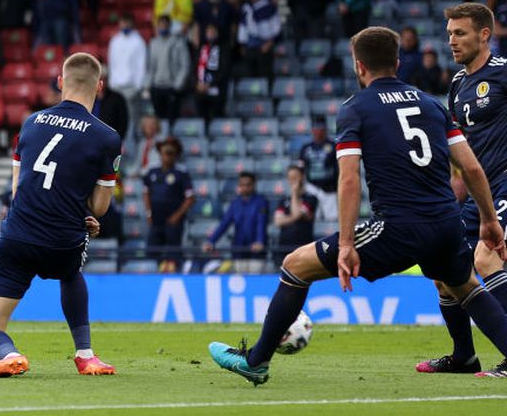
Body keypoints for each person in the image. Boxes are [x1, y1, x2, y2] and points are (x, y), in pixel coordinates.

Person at [210, 26, 507, 384]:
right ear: (397, 63)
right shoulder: (431, 104)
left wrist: (347, 243)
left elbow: (349, 179)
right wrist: (489, 220)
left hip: (399, 227)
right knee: (465, 288)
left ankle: (256, 360)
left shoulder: (356, 108)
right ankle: (469, 356)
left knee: (295, 265)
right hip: (446, 222)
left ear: (359, 66)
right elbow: (472, 167)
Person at [0, 52, 120, 378]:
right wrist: (80, 212)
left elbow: (17, 190)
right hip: (64, 241)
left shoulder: (31, 123)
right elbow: (100, 207)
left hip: (19, 237)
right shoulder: (107, 137)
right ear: (100, 87)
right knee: (70, 271)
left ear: (61, 82)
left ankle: (10, 354)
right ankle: (85, 354)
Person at [420, 2, 507, 375]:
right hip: (476, 193)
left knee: (487, 259)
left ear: (484, 35)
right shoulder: (457, 84)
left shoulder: (503, 73)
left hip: (505, 183)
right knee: (444, 270)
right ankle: (463, 356)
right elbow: (461, 149)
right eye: (449, 33)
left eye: (460, 33)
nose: (451, 41)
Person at [143, 137, 194, 273]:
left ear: (176, 155)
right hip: (156, 219)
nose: (168, 156)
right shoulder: (152, 172)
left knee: (173, 253)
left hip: (173, 221)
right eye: (165, 152)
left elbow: (190, 198)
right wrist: (148, 213)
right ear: (160, 153)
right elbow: (146, 192)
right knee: (152, 251)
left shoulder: (181, 174)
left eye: (171, 153)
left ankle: (174, 275)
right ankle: (152, 276)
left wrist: (177, 216)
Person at [203, 172, 269, 274]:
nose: (245, 187)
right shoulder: (235, 203)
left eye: (248, 185)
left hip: (256, 253)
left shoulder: (261, 202)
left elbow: (261, 223)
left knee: (255, 282)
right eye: (242, 185)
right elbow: (224, 224)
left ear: (254, 185)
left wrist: (259, 242)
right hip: (239, 250)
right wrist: (211, 241)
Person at [145, 15, 190, 125]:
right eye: (160, 25)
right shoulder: (153, 43)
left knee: (172, 121)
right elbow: (150, 66)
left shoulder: (179, 43)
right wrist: (148, 85)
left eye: (165, 25)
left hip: (172, 87)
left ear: (169, 26)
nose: (163, 27)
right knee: (158, 121)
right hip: (157, 87)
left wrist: (177, 85)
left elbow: (185, 65)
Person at [272, 162, 318, 264]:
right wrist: (294, 217)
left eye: (295, 177)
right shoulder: (283, 200)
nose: (292, 180)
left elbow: (297, 214)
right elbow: (278, 221)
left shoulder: (310, 198)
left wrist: (294, 193)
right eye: (290, 177)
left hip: (303, 248)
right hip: (284, 249)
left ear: (302, 177)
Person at [238, 0, 280, 84]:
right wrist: (242, 44)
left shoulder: (269, 7)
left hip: (264, 46)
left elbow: (276, 27)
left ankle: (267, 98)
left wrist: (269, 43)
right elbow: (243, 27)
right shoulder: (246, 8)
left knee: (265, 76)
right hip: (249, 47)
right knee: (250, 76)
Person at [107, 14, 147, 120]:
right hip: (116, 86)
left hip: (131, 87)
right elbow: (112, 63)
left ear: (132, 23)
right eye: (122, 23)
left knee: (131, 117)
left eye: (126, 22)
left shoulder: (138, 41)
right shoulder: (115, 41)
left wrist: (138, 86)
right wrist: (112, 84)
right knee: (117, 117)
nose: (124, 25)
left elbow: (141, 65)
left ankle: (132, 137)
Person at [300, 116, 338, 221]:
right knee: (313, 219)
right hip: (311, 188)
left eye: (321, 128)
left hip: (329, 189)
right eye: (316, 128)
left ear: (325, 129)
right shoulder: (306, 148)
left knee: (332, 219)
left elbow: (338, 169)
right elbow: (301, 168)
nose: (318, 131)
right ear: (312, 130)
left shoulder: (333, 146)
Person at [192, 21, 231, 123]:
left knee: (217, 119)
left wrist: (210, 84)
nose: (211, 33)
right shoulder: (201, 48)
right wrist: (197, 84)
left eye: (213, 31)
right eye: (208, 31)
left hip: (217, 91)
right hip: (200, 91)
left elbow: (224, 71)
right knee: (200, 118)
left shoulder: (224, 49)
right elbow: (194, 69)